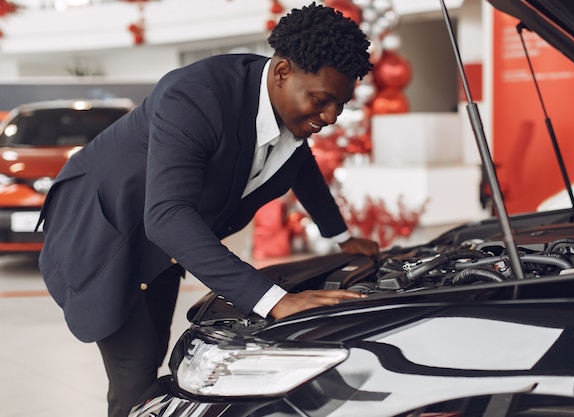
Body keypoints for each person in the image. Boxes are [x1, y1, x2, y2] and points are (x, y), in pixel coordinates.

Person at [37, 2, 379, 417]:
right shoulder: (196, 96)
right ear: (283, 71)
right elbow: (167, 216)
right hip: (102, 227)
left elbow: (299, 165)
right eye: (323, 100)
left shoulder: (288, 111)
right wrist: (274, 300)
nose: (330, 117)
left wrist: (340, 236)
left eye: (340, 105)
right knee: (137, 372)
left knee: (155, 357)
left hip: (161, 237)